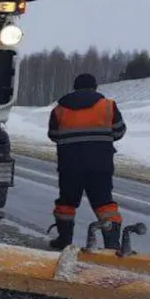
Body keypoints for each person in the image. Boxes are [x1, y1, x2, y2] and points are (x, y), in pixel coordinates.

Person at [46, 73, 127, 250]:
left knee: (66, 203)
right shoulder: (108, 106)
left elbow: (53, 135)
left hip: (69, 166)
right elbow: (119, 131)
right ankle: (112, 245)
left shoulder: (60, 109)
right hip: (100, 165)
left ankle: (64, 241)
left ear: (74, 87)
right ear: (95, 87)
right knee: (104, 204)